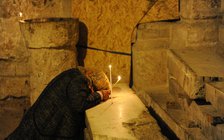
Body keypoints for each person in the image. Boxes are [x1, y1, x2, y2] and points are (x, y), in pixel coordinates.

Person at [6, 66, 111, 140]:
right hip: (43, 123)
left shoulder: (74, 73)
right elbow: (80, 104)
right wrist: (100, 94)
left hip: (41, 120)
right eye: (94, 89)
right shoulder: (80, 80)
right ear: (92, 84)